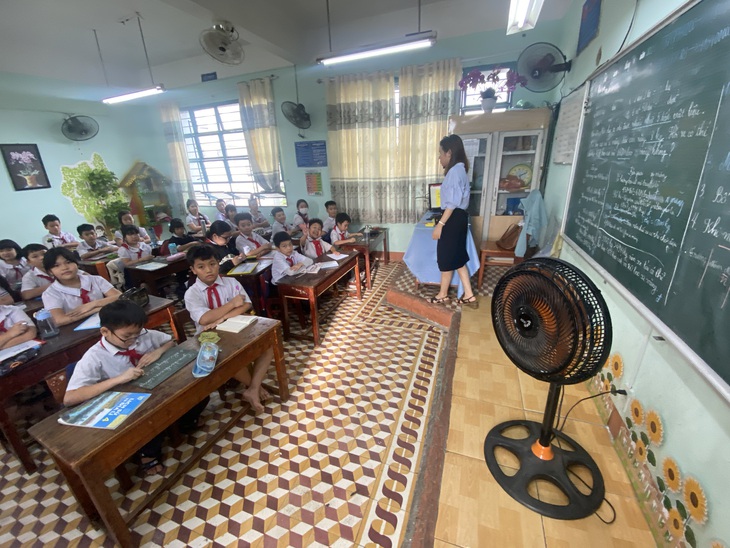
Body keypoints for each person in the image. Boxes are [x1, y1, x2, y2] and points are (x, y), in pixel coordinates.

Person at [63, 300, 208, 476]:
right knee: (147, 420)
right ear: (105, 331)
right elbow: (69, 398)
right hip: (126, 401)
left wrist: (158, 351)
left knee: (199, 391)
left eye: (137, 334)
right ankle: (147, 454)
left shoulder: (143, 334)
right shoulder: (94, 357)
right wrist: (117, 379)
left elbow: (170, 340)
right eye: (127, 336)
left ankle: (184, 422)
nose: (133, 340)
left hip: (154, 386)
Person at [184, 245, 273, 412]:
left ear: (218, 263)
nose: (209, 270)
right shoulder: (192, 293)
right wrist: (232, 304)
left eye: (212, 264)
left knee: (267, 345)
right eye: (201, 267)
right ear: (193, 270)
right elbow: (204, 319)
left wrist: (222, 317)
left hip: (236, 326)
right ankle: (255, 388)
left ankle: (253, 389)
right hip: (208, 336)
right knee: (229, 358)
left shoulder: (231, 281)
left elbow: (246, 304)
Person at [429, 134, 477, 308]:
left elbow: (452, 203)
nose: (439, 157)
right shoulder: (460, 170)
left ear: (449, 153)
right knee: (456, 257)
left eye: (440, 153)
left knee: (446, 257)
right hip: (459, 217)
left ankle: (443, 295)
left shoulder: (455, 172)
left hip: (453, 217)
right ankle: (469, 295)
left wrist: (440, 225)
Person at [42, 248, 121, 326]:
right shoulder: (50, 293)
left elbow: (119, 296)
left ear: (77, 264)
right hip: (76, 328)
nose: (65, 268)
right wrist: (97, 309)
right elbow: (59, 320)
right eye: (56, 266)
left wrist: (93, 304)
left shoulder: (95, 279)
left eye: (68, 262)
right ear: (50, 272)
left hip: (108, 321)